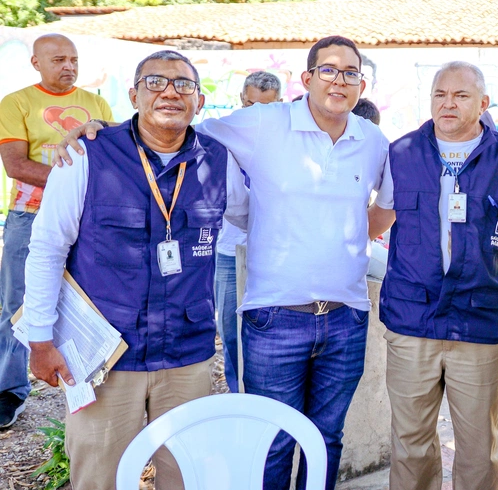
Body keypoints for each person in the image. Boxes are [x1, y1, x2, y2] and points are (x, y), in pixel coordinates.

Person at [55, 35, 388, 490]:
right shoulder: (262, 122)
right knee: (269, 439)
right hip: (275, 316)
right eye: (328, 70)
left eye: (350, 73)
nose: (339, 80)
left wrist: (343, 246)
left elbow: (385, 207)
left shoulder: (372, 141)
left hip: (347, 317)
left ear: (361, 84)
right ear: (307, 78)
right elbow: (170, 125)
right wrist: (102, 129)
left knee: (327, 439)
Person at [23, 50, 236, 490]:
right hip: (106, 354)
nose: (171, 92)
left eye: (184, 84)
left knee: (186, 476)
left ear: (199, 100)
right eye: (156, 82)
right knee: (98, 476)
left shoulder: (219, 161)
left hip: (187, 353)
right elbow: (47, 248)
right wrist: (41, 339)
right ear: (134, 94)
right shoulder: (86, 155)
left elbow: (257, 221)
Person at [367, 61, 498, 490]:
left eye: (460, 96)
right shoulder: (401, 153)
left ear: (483, 103)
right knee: (410, 443)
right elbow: (379, 219)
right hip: (412, 320)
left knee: (479, 449)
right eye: (440, 95)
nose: (448, 103)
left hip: (478, 320)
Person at [0, 34, 113, 429]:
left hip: (87, 219)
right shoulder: (16, 103)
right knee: (16, 305)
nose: (68, 66)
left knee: (89, 301)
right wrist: (72, 183)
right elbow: (15, 164)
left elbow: (111, 156)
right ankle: (8, 392)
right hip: (29, 215)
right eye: (59, 59)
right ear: (36, 63)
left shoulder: (96, 103)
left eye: (73, 59)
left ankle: (87, 384)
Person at [214, 71, 281, 393]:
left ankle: (268, 402)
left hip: (274, 252)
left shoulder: (288, 139)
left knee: (274, 331)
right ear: (242, 100)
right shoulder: (224, 132)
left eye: (265, 108)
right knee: (229, 330)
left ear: (279, 105)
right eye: (251, 105)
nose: (256, 114)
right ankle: (237, 396)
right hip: (228, 252)